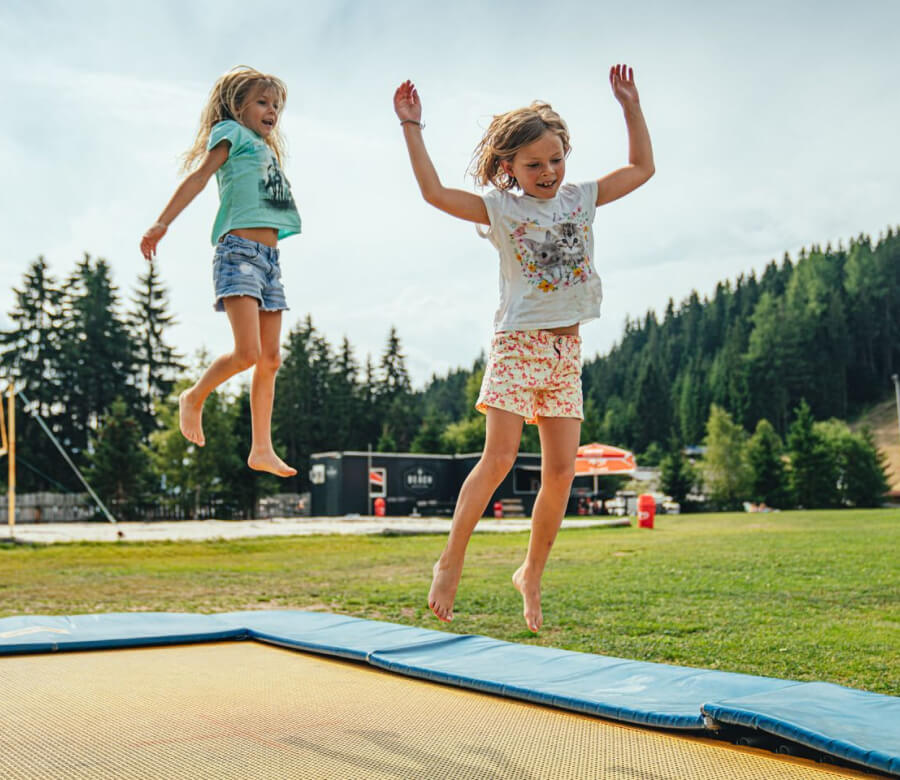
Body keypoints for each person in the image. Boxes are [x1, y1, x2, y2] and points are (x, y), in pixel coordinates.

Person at [393, 65, 654, 631]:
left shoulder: (581, 198)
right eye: (534, 164)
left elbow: (642, 168)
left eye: (556, 160)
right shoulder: (502, 208)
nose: (548, 172)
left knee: (562, 471)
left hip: (566, 353)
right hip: (518, 346)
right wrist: (413, 126)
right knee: (500, 458)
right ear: (508, 166)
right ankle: (450, 560)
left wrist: (630, 105)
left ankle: (530, 572)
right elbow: (434, 193)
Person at [140, 66, 300, 477]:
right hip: (239, 253)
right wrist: (162, 222)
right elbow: (197, 179)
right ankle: (193, 397)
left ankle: (261, 448)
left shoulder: (267, 150)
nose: (272, 111)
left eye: (276, 105)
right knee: (247, 352)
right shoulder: (232, 134)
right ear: (237, 106)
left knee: (271, 359)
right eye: (263, 102)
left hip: (269, 261)